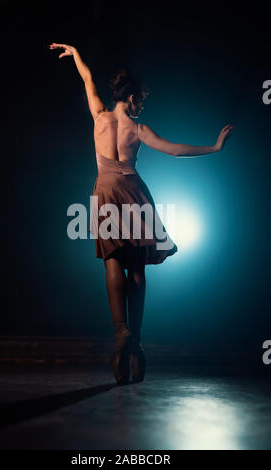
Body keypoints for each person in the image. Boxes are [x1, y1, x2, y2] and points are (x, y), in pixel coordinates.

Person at [49, 43, 235, 385]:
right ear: (131, 97)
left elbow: (87, 79)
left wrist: (75, 54)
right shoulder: (139, 130)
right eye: (141, 100)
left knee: (113, 262)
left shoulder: (100, 117)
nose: (142, 105)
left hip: (105, 192)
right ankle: (136, 338)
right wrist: (214, 147)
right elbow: (175, 151)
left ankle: (121, 333)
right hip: (133, 192)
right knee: (137, 269)